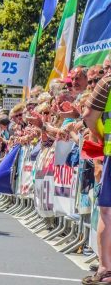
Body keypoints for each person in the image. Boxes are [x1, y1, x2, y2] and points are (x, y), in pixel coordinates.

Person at [83, 71, 111, 285]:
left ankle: (106, 268)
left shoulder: (108, 81)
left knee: (107, 211)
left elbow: (89, 115)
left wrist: (101, 137)